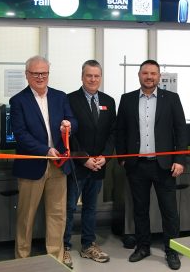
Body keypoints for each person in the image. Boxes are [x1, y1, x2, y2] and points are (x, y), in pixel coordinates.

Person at [116, 59, 187, 270]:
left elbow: (180, 131)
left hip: (164, 165)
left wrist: (180, 160)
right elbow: (120, 131)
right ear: (139, 75)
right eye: (145, 73)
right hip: (137, 166)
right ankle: (143, 246)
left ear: (159, 76)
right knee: (140, 209)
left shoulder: (171, 99)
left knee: (169, 211)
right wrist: (122, 157)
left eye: (153, 73)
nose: (149, 77)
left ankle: (172, 250)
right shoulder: (127, 99)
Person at [10, 55, 77, 261]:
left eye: (44, 73)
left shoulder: (60, 96)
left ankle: (55, 257)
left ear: (48, 74)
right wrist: (45, 150)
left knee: (57, 215)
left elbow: (73, 119)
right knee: (26, 217)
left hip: (59, 165)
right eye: (35, 73)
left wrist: (69, 125)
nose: (40, 77)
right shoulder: (18, 101)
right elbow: (20, 135)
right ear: (27, 75)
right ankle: (23, 259)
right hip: (32, 166)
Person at [62, 60, 116, 268]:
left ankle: (87, 245)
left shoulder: (109, 101)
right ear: (82, 76)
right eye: (89, 76)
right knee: (69, 207)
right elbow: (68, 133)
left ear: (100, 77)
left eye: (96, 76)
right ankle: (64, 247)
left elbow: (113, 132)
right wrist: (83, 158)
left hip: (99, 165)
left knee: (91, 208)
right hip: (77, 165)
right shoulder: (69, 100)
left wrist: (105, 156)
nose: (93, 80)